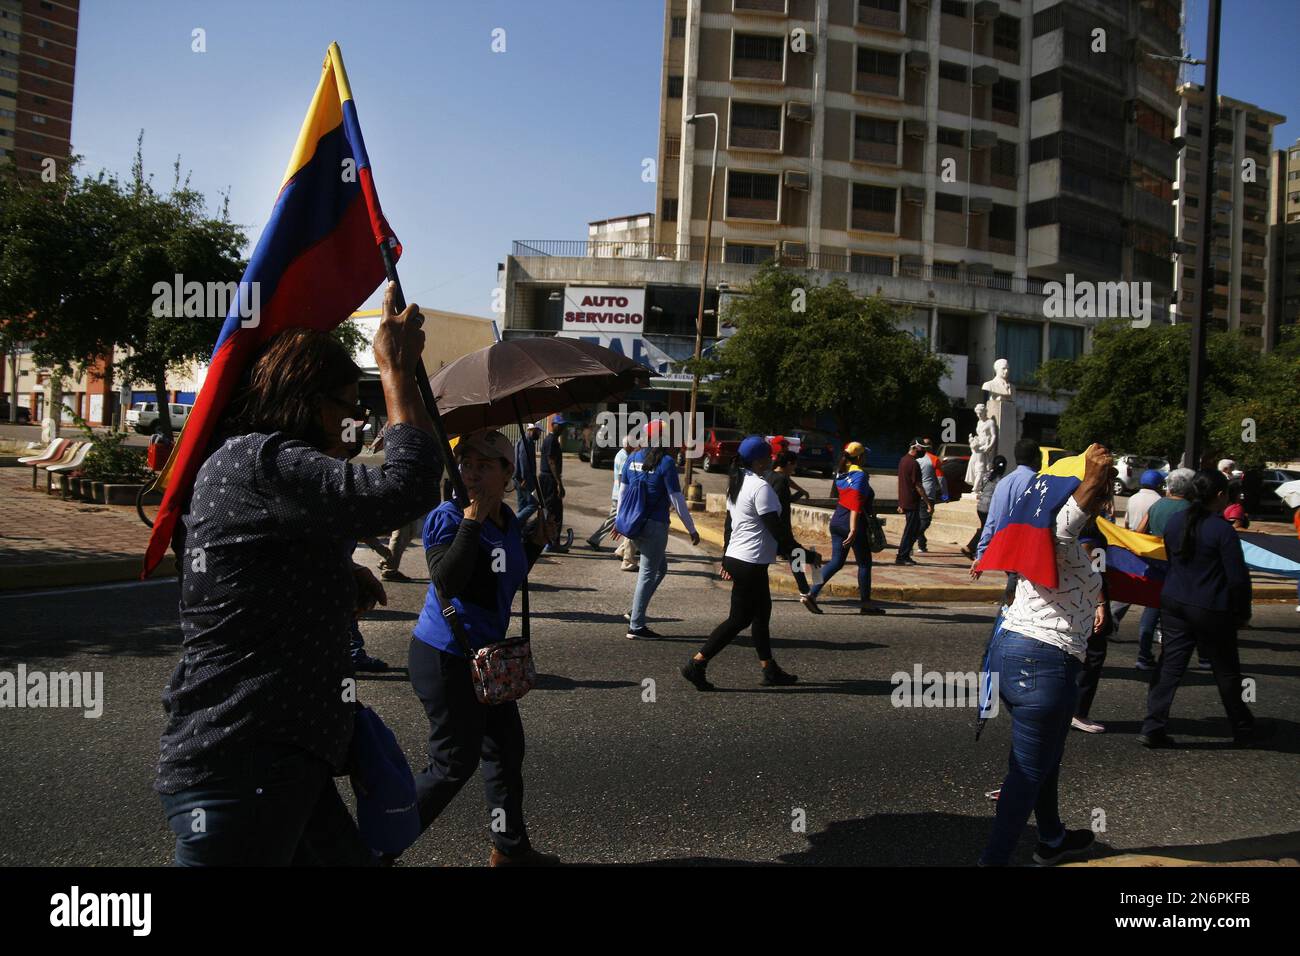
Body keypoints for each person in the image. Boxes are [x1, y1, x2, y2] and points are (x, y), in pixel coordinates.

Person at [155, 285, 440, 866]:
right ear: (309, 403)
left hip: (281, 756)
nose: (354, 423)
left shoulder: (252, 463)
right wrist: (397, 372)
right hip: (243, 760)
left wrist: (336, 577)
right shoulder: (264, 460)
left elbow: (262, 567)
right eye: (346, 406)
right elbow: (405, 487)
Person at [409, 429, 560, 866]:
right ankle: (375, 847)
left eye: (483, 465)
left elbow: (500, 581)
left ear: (507, 472)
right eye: (466, 464)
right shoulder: (449, 517)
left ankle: (509, 849)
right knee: (452, 764)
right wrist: (471, 523)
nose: (471, 473)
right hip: (445, 656)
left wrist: (534, 543)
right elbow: (448, 581)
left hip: (485, 660)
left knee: (506, 750)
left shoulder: (507, 520)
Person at [979, 444, 1113, 867]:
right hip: (1043, 663)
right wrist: (1092, 477)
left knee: (1044, 758)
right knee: (1026, 773)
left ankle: (1052, 838)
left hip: (1009, 653)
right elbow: (1068, 523)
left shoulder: (1030, 527)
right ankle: (993, 861)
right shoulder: (1056, 530)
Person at [1139, 470, 1268, 749]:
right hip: (1210, 607)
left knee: (1170, 666)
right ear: (1220, 496)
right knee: (1226, 670)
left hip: (1174, 600)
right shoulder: (1221, 530)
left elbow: (1171, 559)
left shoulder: (1176, 521)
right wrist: (1242, 612)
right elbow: (1236, 577)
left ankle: (1153, 725)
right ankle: (1243, 726)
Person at [681, 437, 798, 690]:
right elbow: (775, 528)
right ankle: (697, 663)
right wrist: (801, 553)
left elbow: (731, 524)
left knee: (761, 614)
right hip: (750, 562)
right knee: (739, 619)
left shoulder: (738, 482)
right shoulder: (760, 487)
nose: (772, 459)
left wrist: (726, 557)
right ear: (759, 460)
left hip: (740, 557)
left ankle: (769, 669)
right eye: (769, 456)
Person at [620, 419, 701, 639]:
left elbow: (623, 493)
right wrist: (691, 529)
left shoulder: (632, 458)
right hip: (654, 526)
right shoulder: (666, 463)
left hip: (634, 525)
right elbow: (677, 500)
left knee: (659, 569)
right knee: (647, 574)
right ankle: (636, 625)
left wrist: (621, 521)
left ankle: (636, 610)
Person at [803, 442, 883, 615]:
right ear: (860, 457)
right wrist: (853, 529)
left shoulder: (841, 472)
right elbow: (855, 503)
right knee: (864, 563)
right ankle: (866, 604)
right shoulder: (860, 475)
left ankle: (811, 594)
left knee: (836, 562)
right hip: (852, 523)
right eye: (865, 455)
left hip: (837, 521)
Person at [971, 438, 1041, 604]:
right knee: (1016, 597)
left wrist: (981, 554)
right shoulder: (1039, 483)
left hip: (1006, 548)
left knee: (1016, 590)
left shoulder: (1003, 483)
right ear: (1036, 458)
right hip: (1027, 550)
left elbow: (991, 521)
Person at [1109, 469, 1165, 669]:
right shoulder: (1159, 501)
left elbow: (1126, 523)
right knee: (1152, 590)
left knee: (1130, 585)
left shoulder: (1132, 498)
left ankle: (1112, 622)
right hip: (1150, 548)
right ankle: (1157, 631)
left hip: (1131, 543)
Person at [767, 450, 816, 595]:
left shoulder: (768, 475)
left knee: (794, 557)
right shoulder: (781, 481)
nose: (795, 469)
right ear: (789, 464)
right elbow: (781, 505)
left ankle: (805, 591)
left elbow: (783, 499)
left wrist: (800, 491)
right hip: (781, 530)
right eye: (794, 465)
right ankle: (808, 592)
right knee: (801, 556)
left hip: (769, 529)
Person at [588, 432, 637, 551]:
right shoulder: (624, 456)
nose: (635, 447)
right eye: (633, 445)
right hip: (620, 494)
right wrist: (624, 496)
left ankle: (631, 546)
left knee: (618, 519)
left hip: (618, 493)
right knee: (620, 519)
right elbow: (621, 477)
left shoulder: (622, 453)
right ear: (628, 445)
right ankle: (596, 539)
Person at [963, 455, 1006, 559]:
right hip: (990, 508)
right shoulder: (1002, 480)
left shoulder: (986, 476)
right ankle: (970, 547)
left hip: (981, 506)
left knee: (985, 528)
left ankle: (980, 550)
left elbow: (982, 487)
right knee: (986, 529)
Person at [895, 440, 931, 565]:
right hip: (911, 502)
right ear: (915, 447)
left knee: (912, 529)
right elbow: (918, 485)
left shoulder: (903, 460)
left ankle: (904, 555)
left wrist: (900, 503)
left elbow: (902, 483)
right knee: (910, 531)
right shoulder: (913, 463)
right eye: (923, 448)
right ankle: (902, 556)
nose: (924, 451)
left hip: (906, 501)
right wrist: (928, 502)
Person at [538, 415, 567, 552]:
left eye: (563, 425)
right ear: (553, 425)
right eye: (559, 425)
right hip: (549, 479)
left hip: (549, 478)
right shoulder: (551, 441)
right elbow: (551, 461)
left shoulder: (554, 440)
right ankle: (550, 543)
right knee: (553, 511)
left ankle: (552, 541)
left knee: (553, 510)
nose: (562, 428)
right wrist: (558, 483)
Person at [916, 438, 948, 553]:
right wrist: (945, 495)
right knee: (925, 521)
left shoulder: (915, 458)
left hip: (915, 493)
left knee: (920, 520)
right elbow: (941, 479)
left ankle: (921, 544)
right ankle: (911, 538)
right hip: (928, 493)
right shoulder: (934, 459)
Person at [514, 421, 542, 529]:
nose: (539, 435)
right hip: (524, 479)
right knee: (533, 504)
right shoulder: (527, 442)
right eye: (538, 432)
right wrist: (524, 478)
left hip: (519, 479)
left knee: (523, 507)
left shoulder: (524, 441)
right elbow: (523, 460)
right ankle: (514, 523)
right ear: (532, 430)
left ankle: (519, 532)